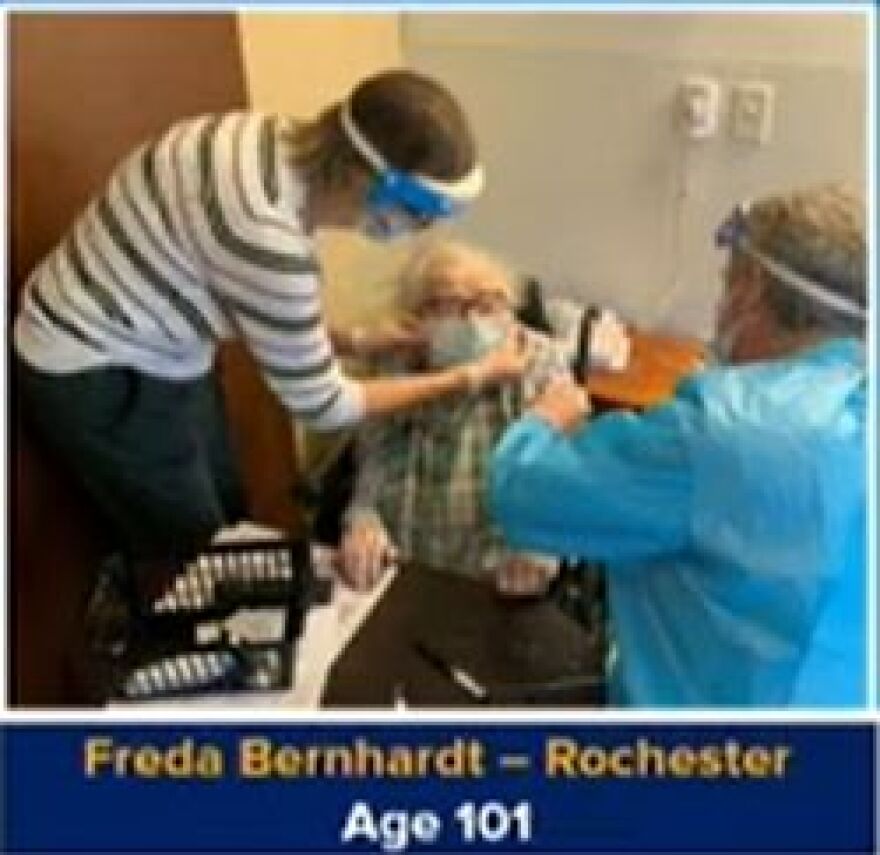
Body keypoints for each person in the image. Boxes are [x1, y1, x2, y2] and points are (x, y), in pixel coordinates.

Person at [14, 69, 528, 562]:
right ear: (368, 180)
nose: (417, 231)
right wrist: (468, 376)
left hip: (156, 332)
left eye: (483, 303)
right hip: (95, 363)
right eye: (419, 214)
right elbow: (324, 404)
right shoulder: (270, 241)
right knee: (192, 549)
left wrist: (362, 342)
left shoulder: (257, 138)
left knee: (232, 514)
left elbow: (250, 308)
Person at [489, 186, 867, 708]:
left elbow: (522, 493)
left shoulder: (721, 430)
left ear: (751, 287)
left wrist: (546, 421)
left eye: (723, 282)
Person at [337, 241, 573, 596]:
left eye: (489, 304)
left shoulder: (536, 360)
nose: (473, 319)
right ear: (418, 316)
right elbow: (374, 457)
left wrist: (540, 547)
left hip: (495, 578)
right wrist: (363, 519)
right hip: (401, 568)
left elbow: (561, 475)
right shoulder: (398, 361)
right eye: (451, 305)